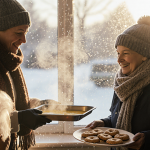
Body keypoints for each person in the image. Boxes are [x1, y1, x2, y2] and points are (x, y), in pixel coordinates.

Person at [86, 16, 150, 150]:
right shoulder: (122, 83)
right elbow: (119, 118)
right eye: (118, 53)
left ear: (145, 55)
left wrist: (147, 139)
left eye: (125, 53)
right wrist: (104, 123)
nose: (119, 60)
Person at [0, 0, 51, 150]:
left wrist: (38, 104)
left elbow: (9, 103)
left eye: (26, 32)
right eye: (18, 33)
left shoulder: (9, 61)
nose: (24, 40)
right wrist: (19, 118)